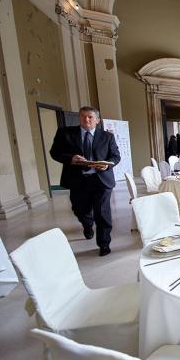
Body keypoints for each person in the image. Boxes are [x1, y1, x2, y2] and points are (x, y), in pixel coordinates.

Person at [50, 106, 120, 257]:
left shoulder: (107, 136)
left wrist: (107, 164)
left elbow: (116, 156)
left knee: (102, 213)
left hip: (101, 180)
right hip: (78, 180)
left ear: (97, 120)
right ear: (79, 118)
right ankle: (87, 225)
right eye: (83, 117)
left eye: (90, 117)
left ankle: (104, 243)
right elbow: (54, 153)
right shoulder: (65, 133)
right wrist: (70, 158)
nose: (86, 119)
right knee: (80, 210)